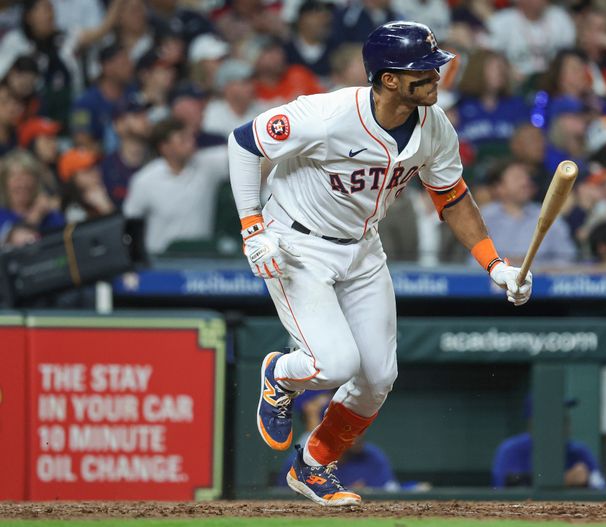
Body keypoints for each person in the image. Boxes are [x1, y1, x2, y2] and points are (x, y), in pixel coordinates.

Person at [227, 21, 533, 506]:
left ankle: (312, 466)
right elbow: (244, 143)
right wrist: (251, 227)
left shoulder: (434, 126)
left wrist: (495, 265)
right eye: (423, 70)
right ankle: (279, 376)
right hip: (297, 243)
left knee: (376, 380)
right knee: (334, 363)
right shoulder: (327, 114)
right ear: (388, 78)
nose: (436, 76)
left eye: (436, 67)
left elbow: (451, 195)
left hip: (363, 247)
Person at [123, 117, 228, 254]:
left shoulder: (207, 164)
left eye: (190, 137)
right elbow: (131, 222)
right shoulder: (144, 180)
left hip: (202, 257)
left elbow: (247, 154)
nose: (191, 143)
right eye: (183, 140)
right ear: (165, 147)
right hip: (162, 261)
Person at [492, 398, 606, 489]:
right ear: (533, 424)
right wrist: (563, 480)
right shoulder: (512, 450)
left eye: (566, 420)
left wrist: (588, 482)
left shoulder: (578, 451)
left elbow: (600, 487)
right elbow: (506, 488)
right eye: (557, 420)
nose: (566, 427)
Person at [481, 159, 576, 267]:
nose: (525, 182)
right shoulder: (484, 218)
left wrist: (536, 267)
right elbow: (472, 262)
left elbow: (568, 258)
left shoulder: (549, 215)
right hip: (492, 281)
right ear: (499, 188)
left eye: (526, 177)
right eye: (517, 178)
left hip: (540, 281)